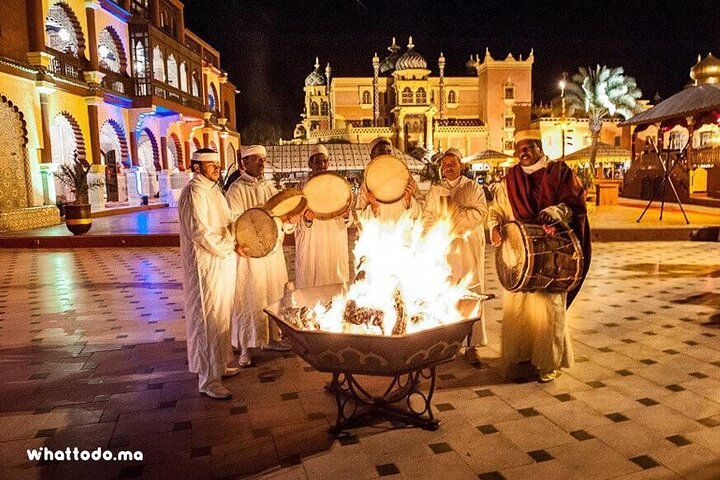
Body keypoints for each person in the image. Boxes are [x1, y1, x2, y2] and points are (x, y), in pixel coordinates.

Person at [488, 130, 591, 382]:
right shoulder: (510, 178)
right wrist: (493, 227)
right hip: (519, 253)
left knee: (548, 309)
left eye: (528, 146)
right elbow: (498, 209)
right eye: (519, 147)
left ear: (539, 146)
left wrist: (556, 212)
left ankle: (548, 363)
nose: (523, 151)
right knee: (519, 307)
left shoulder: (559, 173)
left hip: (551, 253)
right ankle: (521, 354)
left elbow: (575, 205)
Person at [178, 148, 243, 400]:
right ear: (196, 168)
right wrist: (230, 245)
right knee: (207, 320)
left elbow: (228, 221)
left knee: (221, 316)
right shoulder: (194, 193)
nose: (217, 168)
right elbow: (200, 232)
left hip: (223, 262)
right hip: (206, 266)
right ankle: (208, 379)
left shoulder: (214, 190)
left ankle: (220, 365)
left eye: (217, 164)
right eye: (211, 165)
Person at [225, 145, 299, 367]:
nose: (261, 163)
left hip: (272, 254)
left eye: (262, 160)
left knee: (274, 294)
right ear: (244, 163)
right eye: (255, 159)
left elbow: (281, 215)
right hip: (250, 256)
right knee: (250, 299)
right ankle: (246, 347)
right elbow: (235, 221)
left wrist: (288, 221)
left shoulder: (270, 187)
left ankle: (274, 338)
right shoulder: (236, 190)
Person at [422, 148, 488, 361]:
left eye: (453, 163)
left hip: (468, 248)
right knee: (447, 293)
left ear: (461, 165)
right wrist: (438, 230)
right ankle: (447, 345)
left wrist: (453, 215)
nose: (448, 166)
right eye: (445, 163)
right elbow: (427, 218)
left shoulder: (472, 187)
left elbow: (480, 213)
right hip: (446, 250)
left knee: (471, 292)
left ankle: (471, 346)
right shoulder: (435, 190)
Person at [295, 144, 354, 288]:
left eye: (324, 161)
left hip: (334, 241)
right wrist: (306, 220)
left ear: (328, 162)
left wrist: (346, 216)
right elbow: (294, 221)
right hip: (312, 243)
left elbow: (348, 219)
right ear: (310, 164)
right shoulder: (300, 189)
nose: (321, 165)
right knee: (311, 284)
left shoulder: (338, 186)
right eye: (317, 161)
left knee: (335, 281)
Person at [356, 136, 420, 223]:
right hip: (379, 233)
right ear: (372, 156)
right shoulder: (367, 184)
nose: (386, 154)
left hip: (402, 232)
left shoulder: (406, 178)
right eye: (381, 151)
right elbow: (360, 218)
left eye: (388, 151)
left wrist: (409, 200)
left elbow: (421, 212)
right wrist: (373, 207)